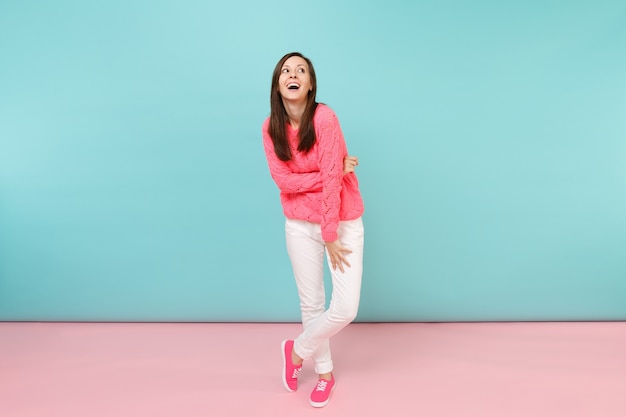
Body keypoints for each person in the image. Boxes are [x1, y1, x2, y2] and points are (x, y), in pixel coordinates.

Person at [261, 52, 365, 408]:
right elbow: (283, 181)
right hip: (299, 224)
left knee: (345, 307)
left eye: (300, 70)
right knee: (312, 303)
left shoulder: (325, 118)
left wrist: (331, 231)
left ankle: (296, 351)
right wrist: (333, 168)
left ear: (309, 83)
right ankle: (325, 374)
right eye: (286, 71)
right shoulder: (269, 127)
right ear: (278, 84)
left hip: (341, 220)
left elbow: (328, 183)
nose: (293, 75)